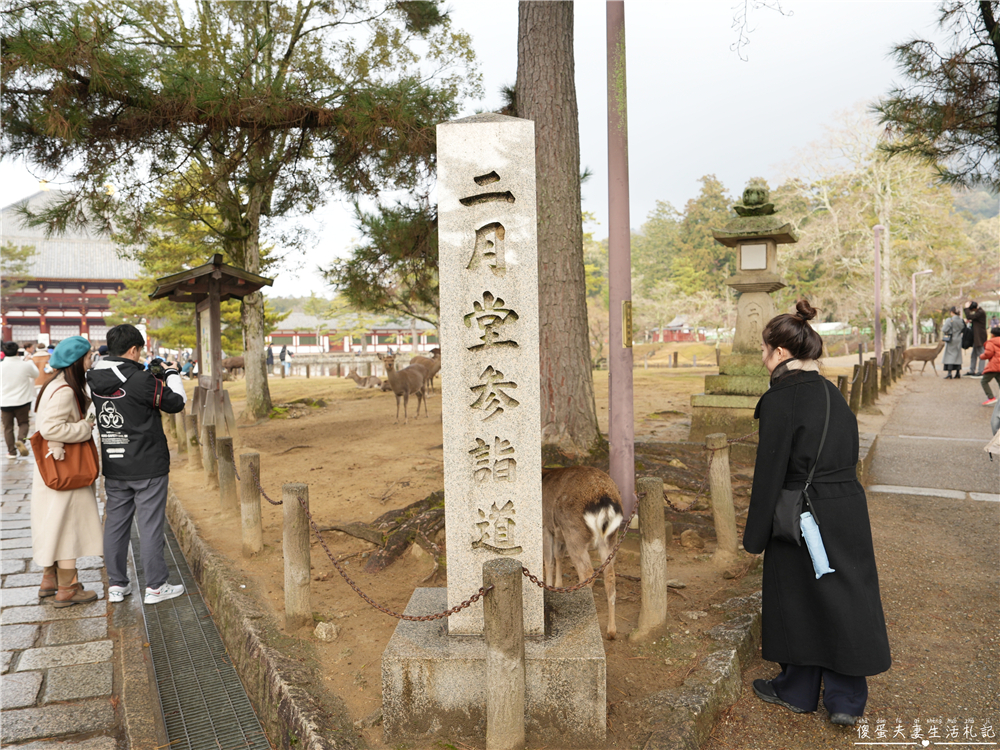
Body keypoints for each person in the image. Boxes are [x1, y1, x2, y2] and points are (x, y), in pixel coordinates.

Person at [745, 299, 891, 727]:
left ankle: (798, 688)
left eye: (764, 348)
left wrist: (755, 536)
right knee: (846, 593)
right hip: (845, 506)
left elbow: (769, 473)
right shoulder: (832, 394)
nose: (762, 356)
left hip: (800, 513)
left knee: (796, 594)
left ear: (781, 352)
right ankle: (847, 699)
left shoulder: (780, 400)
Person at [86, 324, 187, 605]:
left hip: (115, 464)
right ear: (133, 350)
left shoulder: (93, 377)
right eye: (139, 350)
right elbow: (176, 403)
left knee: (115, 525)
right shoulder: (142, 380)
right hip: (148, 464)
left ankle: (117, 585)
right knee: (150, 524)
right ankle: (156, 586)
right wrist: (171, 375)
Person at [30, 336, 103, 607]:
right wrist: (85, 427)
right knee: (67, 527)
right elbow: (51, 428)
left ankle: (50, 580)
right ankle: (68, 588)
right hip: (67, 473)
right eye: (87, 358)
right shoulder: (64, 391)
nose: (89, 361)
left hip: (52, 469)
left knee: (53, 524)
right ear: (77, 361)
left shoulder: (54, 385)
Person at [1, 341, 39, 459]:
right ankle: (21, 440)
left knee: (8, 428)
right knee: (23, 423)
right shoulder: (25, 365)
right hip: (22, 401)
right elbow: (36, 374)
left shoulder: (1, 366)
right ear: (18, 351)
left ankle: (11, 452)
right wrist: (30, 362)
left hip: (5, 401)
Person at [941, 307, 965, 379]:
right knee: (958, 355)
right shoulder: (961, 320)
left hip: (951, 339)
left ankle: (949, 373)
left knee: (950, 355)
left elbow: (944, 329)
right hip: (958, 338)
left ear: (951, 312)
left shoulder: (950, 320)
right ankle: (958, 372)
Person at [964, 301, 987, 376]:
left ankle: (981, 371)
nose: (971, 311)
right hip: (976, 337)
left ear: (973, 308)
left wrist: (966, 308)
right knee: (974, 354)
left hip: (979, 337)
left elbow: (970, 316)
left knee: (981, 354)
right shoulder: (979, 312)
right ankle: (972, 370)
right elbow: (973, 319)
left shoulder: (980, 312)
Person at [979, 326, 1000, 406]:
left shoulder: (991, 342)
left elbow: (988, 353)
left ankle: (991, 397)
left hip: (994, 366)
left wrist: (981, 356)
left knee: (984, 381)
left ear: (992, 335)